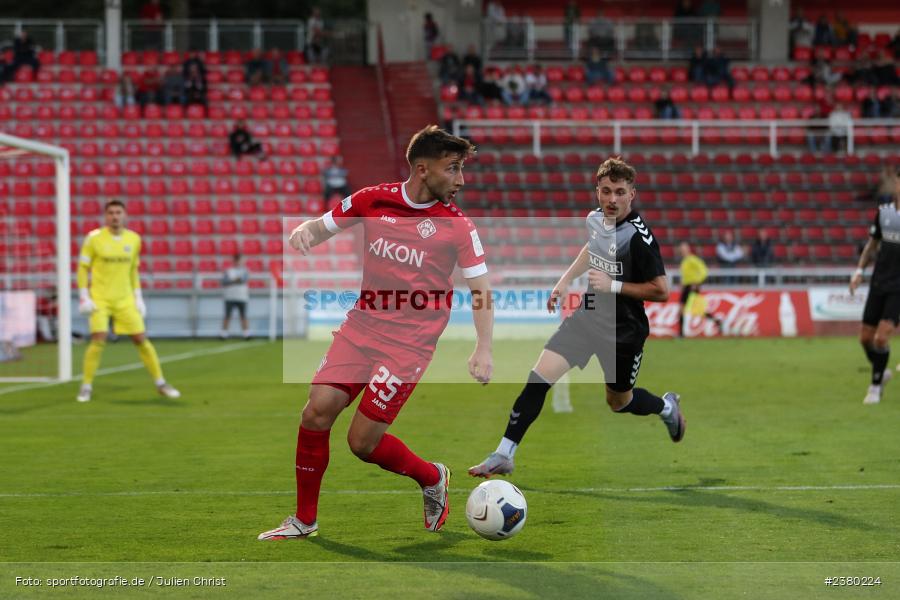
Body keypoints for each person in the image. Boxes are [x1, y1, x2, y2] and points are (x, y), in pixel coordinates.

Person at [258, 125, 494, 540]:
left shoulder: (458, 227)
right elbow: (325, 224)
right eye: (453, 169)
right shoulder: (373, 199)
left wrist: (484, 348)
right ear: (422, 170)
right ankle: (304, 520)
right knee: (316, 411)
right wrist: (305, 233)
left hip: (408, 345)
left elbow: (482, 291)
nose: (461, 179)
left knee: (362, 443)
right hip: (361, 328)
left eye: (461, 170)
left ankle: (431, 477)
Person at [468, 157, 684, 480]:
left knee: (619, 402)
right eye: (607, 191)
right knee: (538, 379)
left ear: (632, 194)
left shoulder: (640, 238)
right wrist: (566, 279)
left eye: (620, 192)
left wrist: (613, 285)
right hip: (587, 319)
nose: (612, 199)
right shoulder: (596, 219)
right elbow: (591, 248)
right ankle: (504, 453)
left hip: (624, 333)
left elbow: (661, 290)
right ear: (597, 190)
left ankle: (667, 408)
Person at [75, 200, 181, 403]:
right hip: (100, 299)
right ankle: (86, 386)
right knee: (98, 339)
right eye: (111, 213)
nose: (115, 216)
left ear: (125, 215)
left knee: (141, 339)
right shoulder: (94, 239)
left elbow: (134, 270)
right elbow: (82, 268)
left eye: (118, 212)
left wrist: (138, 296)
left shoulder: (134, 239)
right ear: (106, 216)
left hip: (124, 299)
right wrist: (83, 295)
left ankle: (161, 383)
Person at [850, 167, 900, 405]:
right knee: (865, 339)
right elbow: (871, 246)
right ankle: (882, 370)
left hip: (898, 288)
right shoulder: (884, 213)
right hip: (878, 283)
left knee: (881, 339)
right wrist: (859, 271)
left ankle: (875, 386)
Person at [678, 242, 722, 337]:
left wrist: (697, 282)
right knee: (695, 309)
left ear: (688, 249)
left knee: (691, 309)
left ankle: (681, 334)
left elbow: (704, 271)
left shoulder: (692, 259)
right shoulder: (684, 261)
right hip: (687, 287)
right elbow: (686, 275)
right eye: (681, 249)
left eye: (684, 248)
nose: (682, 250)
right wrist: (682, 283)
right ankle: (717, 321)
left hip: (692, 287)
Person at [221, 254, 250, 340]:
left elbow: (244, 280)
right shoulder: (229, 270)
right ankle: (224, 334)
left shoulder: (245, 271)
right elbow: (224, 281)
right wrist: (235, 280)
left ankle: (246, 334)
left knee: (243, 316)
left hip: (241, 296)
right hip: (230, 296)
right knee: (227, 316)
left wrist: (232, 280)